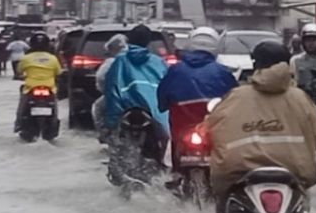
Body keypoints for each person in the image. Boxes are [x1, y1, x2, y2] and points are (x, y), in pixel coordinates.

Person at [205, 40, 316, 213]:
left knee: (223, 201)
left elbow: (211, 128)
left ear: (255, 64)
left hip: (240, 170)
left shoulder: (236, 96)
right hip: (294, 171)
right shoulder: (301, 98)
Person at [157, 26, 238, 163]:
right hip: (213, 131)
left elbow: (162, 98)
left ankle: (177, 172)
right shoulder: (223, 72)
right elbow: (236, 100)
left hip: (181, 130)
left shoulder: (175, 70)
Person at [103, 25, 170, 180]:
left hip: (127, 113)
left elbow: (111, 91)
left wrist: (111, 123)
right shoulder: (159, 62)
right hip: (154, 114)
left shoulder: (119, 61)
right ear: (148, 42)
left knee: (116, 147)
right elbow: (168, 88)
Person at [14, 33, 63, 131]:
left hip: (30, 88)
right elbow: (59, 72)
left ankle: (18, 123)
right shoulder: (53, 58)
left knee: (22, 106)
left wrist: (20, 76)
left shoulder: (26, 58)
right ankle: (54, 121)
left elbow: (19, 71)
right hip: (50, 88)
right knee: (55, 105)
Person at [92, 33, 129, 142]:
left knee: (97, 108)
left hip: (117, 96)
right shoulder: (138, 58)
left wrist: (106, 91)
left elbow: (101, 78)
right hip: (139, 96)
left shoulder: (111, 62)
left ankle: (105, 133)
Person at [290, 22, 316, 94]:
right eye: (308, 40)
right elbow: (292, 83)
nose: (311, 43)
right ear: (303, 42)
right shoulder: (295, 60)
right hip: (301, 98)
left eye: (314, 40)